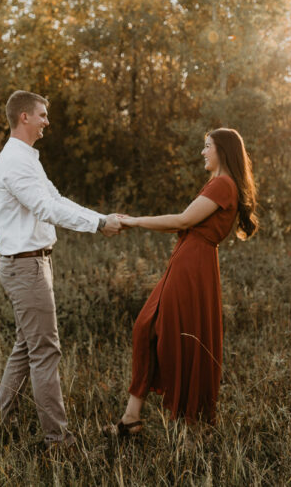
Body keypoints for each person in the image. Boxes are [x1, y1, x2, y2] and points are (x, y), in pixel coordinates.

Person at [0, 90, 123, 449]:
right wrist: (98, 225)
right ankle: (58, 440)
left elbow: (56, 199)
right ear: (24, 117)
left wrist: (100, 217)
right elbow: (48, 210)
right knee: (45, 351)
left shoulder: (27, 158)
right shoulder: (16, 161)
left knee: (26, 347)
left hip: (33, 264)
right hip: (26, 267)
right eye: (43, 115)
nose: (48, 121)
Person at [112, 128, 258, 435]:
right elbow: (185, 224)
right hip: (189, 262)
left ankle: (189, 424)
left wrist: (133, 221)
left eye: (207, 147)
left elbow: (182, 221)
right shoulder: (219, 184)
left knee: (174, 334)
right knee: (148, 327)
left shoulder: (223, 185)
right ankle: (131, 418)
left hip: (193, 266)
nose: (203, 152)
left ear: (222, 151)